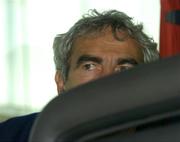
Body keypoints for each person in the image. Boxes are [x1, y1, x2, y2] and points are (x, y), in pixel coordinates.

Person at [0, 9, 159, 142]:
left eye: (124, 68)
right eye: (89, 66)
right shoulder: (12, 135)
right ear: (61, 81)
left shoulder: (167, 134)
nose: (107, 80)